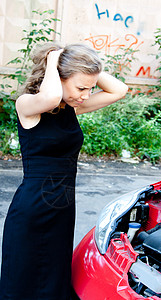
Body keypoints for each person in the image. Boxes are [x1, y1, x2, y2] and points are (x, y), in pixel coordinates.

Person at [0, 43, 128, 300]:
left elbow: (119, 90)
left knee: (54, 277)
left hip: (62, 209)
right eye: (81, 87)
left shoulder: (71, 108)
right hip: (32, 211)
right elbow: (48, 98)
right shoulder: (27, 105)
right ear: (58, 78)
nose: (86, 94)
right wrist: (55, 58)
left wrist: (85, 64)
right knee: (23, 279)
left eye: (90, 88)